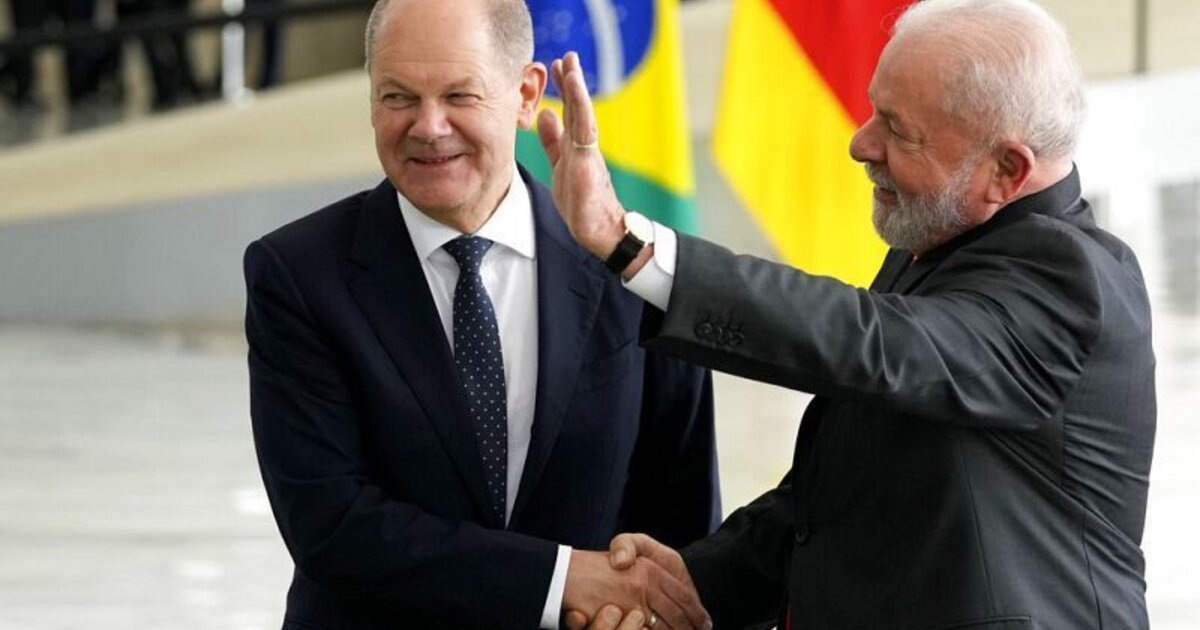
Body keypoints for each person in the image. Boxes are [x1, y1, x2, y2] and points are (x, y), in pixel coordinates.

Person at [538, 0, 1157, 628]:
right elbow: (835, 498)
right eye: (873, 110)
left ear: (1007, 169)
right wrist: (683, 586)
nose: (861, 144)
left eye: (898, 130)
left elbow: (871, 341)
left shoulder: (1070, 275)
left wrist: (633, 247)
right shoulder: (938, 246)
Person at [243, 0, 720, 628]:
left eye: (459, 96)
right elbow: (331, 526)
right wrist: (560, 580)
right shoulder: (298, 274)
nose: (428, 126)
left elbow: (683, 520)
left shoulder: (632, 269)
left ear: (526, 95)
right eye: (398, 97)